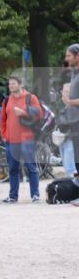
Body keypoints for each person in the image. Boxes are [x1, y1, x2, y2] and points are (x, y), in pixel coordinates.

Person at [0, 76, 43, 203]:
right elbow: (3, 119)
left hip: (27, 139)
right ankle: (13, 196)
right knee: (13, 168)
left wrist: (24, 112)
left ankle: (35, 195)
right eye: (9, 84)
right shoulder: (7, 100)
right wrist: (4, 135)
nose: (11, 86)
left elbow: (39, 114)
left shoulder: (31, 98)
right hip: (11, 140)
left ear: (21, 84)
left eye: (13, 83)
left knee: (31, 167)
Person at [60, 44, 79, 179]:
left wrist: (70, 101)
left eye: (69, 56)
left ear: (77, 56)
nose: (67, 59)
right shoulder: (74, 73)